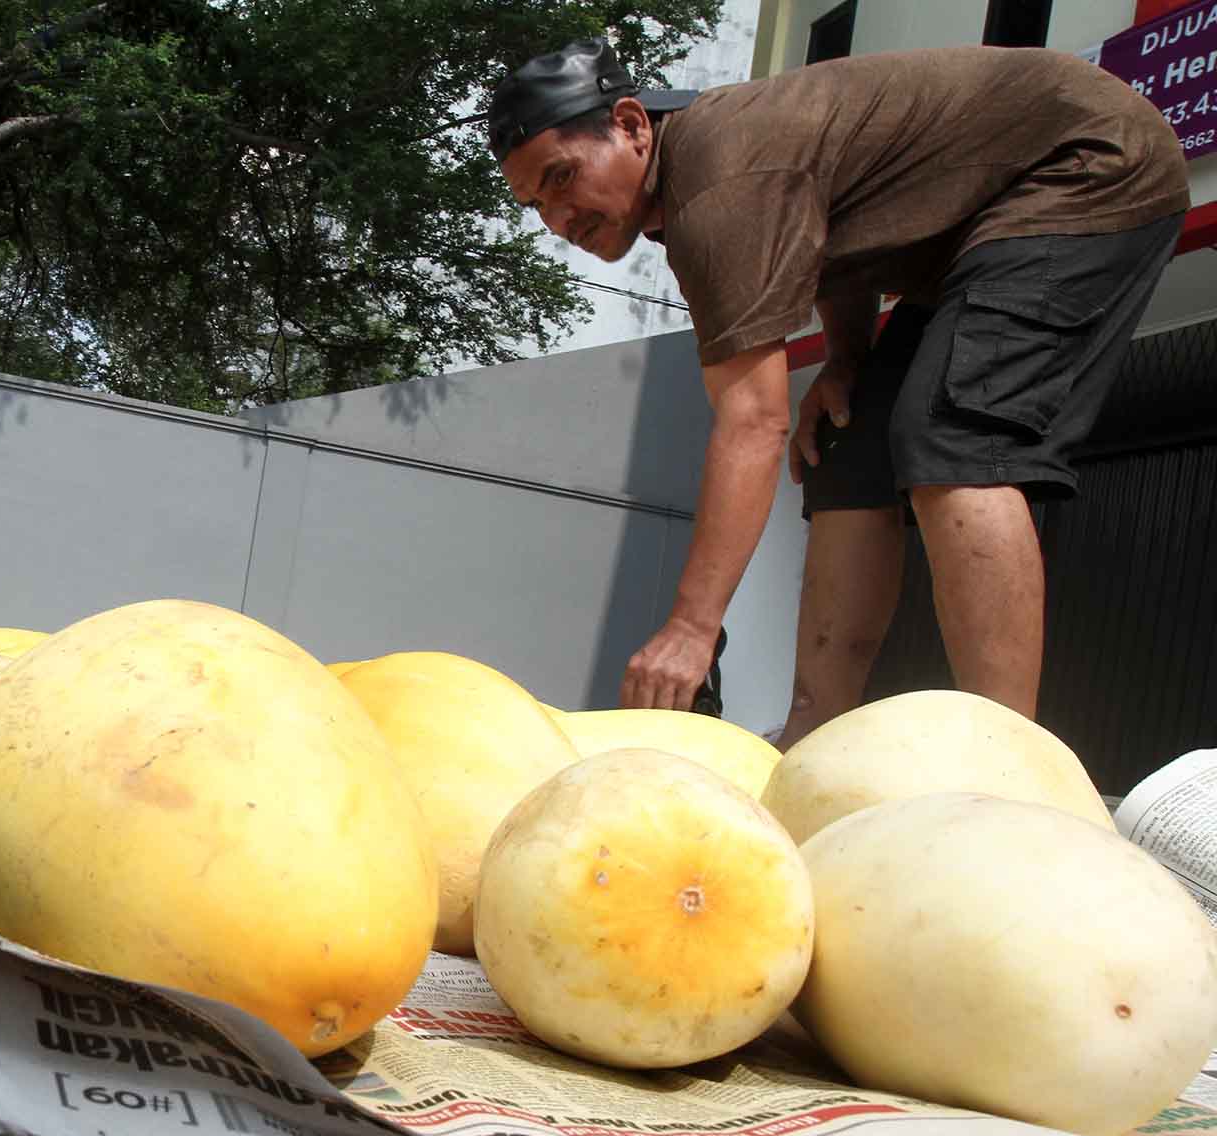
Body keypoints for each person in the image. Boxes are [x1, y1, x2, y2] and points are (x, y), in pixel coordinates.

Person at [486, 38, 1189, 748]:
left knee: (955, 438)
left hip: (1087, 166)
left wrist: (691, 631)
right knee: (847, 450)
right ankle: (814, 734)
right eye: (536, 202)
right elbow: (837, 233)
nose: (558, 218)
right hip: (975, 232)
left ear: (633, 126)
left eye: (563, 176)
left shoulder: (717, 181)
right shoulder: (708, 174)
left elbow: (754, 422)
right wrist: (847, 358)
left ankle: (1006, 756)